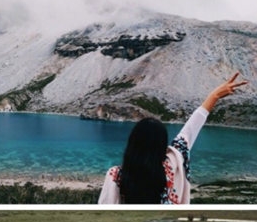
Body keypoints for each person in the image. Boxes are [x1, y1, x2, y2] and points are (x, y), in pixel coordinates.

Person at [98, 72, 247, 204]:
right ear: (162, 145)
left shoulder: (116, 175)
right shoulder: (172, 166)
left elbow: (105, 208)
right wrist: (214, 96)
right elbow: (190, 130)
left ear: (132, 143)